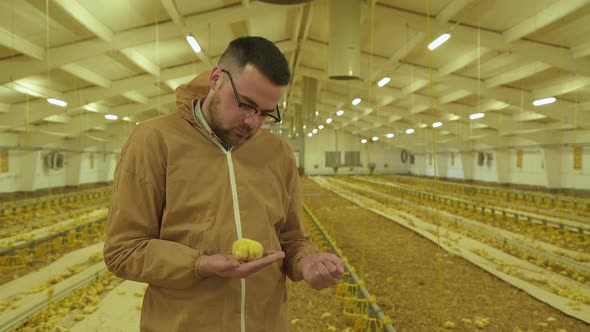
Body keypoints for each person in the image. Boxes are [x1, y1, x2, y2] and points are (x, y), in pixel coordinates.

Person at [103, 36, 344, 332]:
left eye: (267, 113)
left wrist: (307, 261)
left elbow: (292, 238)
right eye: (245, 104)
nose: (254, 122)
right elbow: (123, 250)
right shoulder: (155, 140)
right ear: (216, 78)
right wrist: (199, 264)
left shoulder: (278, 153)